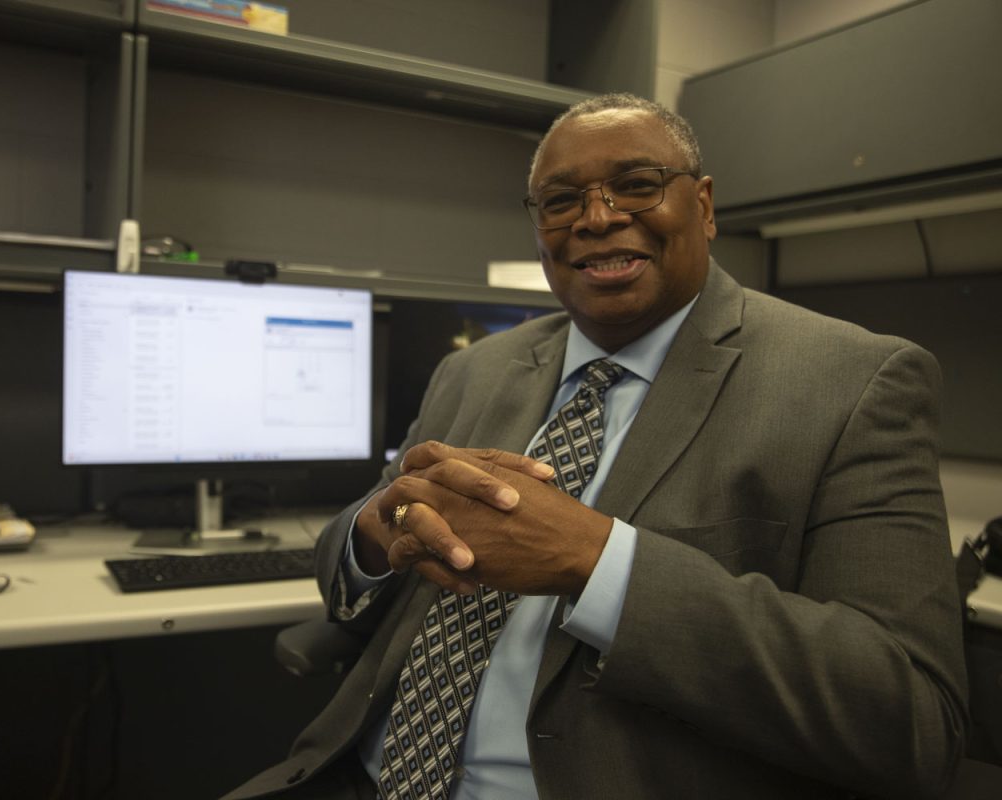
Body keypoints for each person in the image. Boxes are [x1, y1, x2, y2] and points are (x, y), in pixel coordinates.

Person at [223, 93, 970, 800]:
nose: (598, 218)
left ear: (703, 207)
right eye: (560, 200)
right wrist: (376, 530)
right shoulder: (474, 371)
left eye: (637, 185)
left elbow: (912, 719)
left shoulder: (854, 381)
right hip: (358, 772)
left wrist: (599, 562)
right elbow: (345, 574)